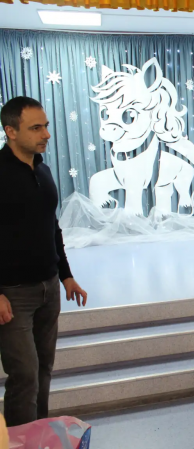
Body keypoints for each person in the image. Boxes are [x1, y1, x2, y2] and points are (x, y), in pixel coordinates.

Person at [0, 97, 88, 426]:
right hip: (13, 294)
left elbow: (52, 226)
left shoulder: (43, 169)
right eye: (36, 128)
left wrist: (66, 275)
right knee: (24, 375)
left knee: (42, 371)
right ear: (10, 131)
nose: (46, 134)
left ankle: (38, 440)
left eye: (46, 126)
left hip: (49, 288)